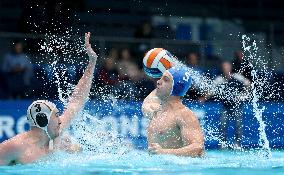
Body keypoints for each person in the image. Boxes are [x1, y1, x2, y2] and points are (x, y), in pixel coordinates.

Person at [0, 32, 98, 165]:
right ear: (42, 121)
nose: (60, 120)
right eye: (56, 116)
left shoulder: (56, 133)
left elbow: (76, 101)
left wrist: (92, 62)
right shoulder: (16, 147)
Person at [142, 66, 204, 157]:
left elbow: (198, 148)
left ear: (175, 87)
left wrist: (163, 152)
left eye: (165, 80)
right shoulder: (157, 110)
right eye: (161, 78)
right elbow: (146, 105)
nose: (158, 82)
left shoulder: (184, 114)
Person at [212, 61, 250, 148]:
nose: (226, 69)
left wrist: (243, 95)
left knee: (238, 125)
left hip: (237, 106)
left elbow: (248, 83)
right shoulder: (219, 79)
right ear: (222, 69)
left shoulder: (237, 77)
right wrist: (204, 98)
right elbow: (211, 90)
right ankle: (223, 143)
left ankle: (237, 143)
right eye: (224, 67)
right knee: (223, 125)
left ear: (230, 68)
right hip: (225, 106)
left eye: (227, 67)